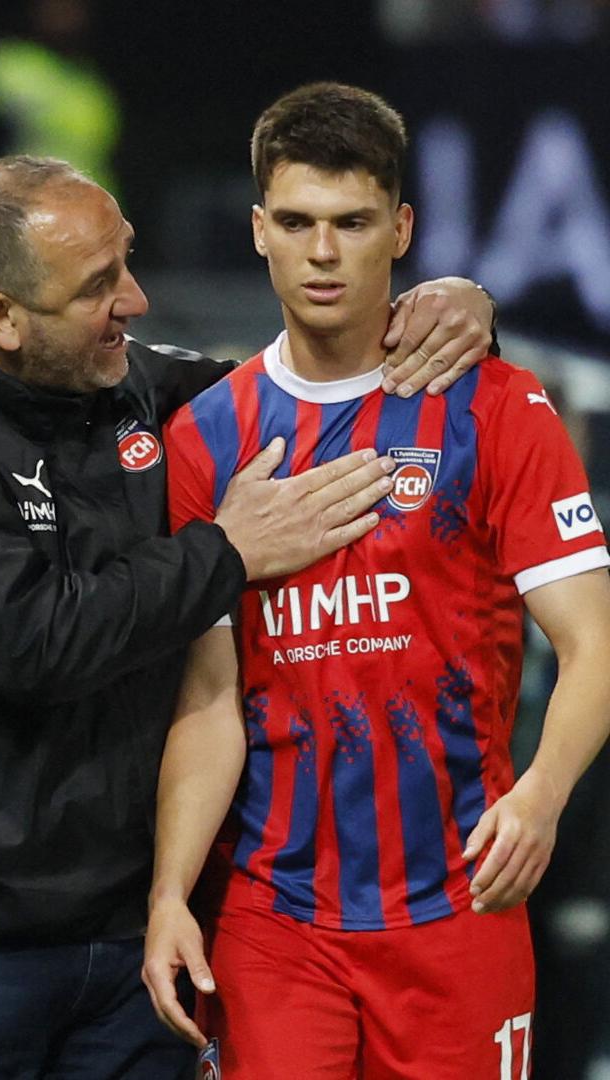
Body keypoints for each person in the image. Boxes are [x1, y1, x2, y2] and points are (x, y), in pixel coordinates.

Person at [0, 152, 493, 1080]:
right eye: (98, 286)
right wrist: (227, 553)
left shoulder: (138, 386)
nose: (135, 300)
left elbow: (318, 392)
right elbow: (30, 638)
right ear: (1, 320)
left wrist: (453, 314)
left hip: (142, 944)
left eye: (126, 259)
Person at [143, 81, 610, 1079]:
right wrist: (170, 894)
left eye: (352, 222)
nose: (323, 252)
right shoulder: (203, 437)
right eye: (300, 223)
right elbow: (210, 698)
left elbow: (593, 641)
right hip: (273, 921)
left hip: (460, 902)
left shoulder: (495, 407)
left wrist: (542, 795)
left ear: (401, 228)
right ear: (259, 229)